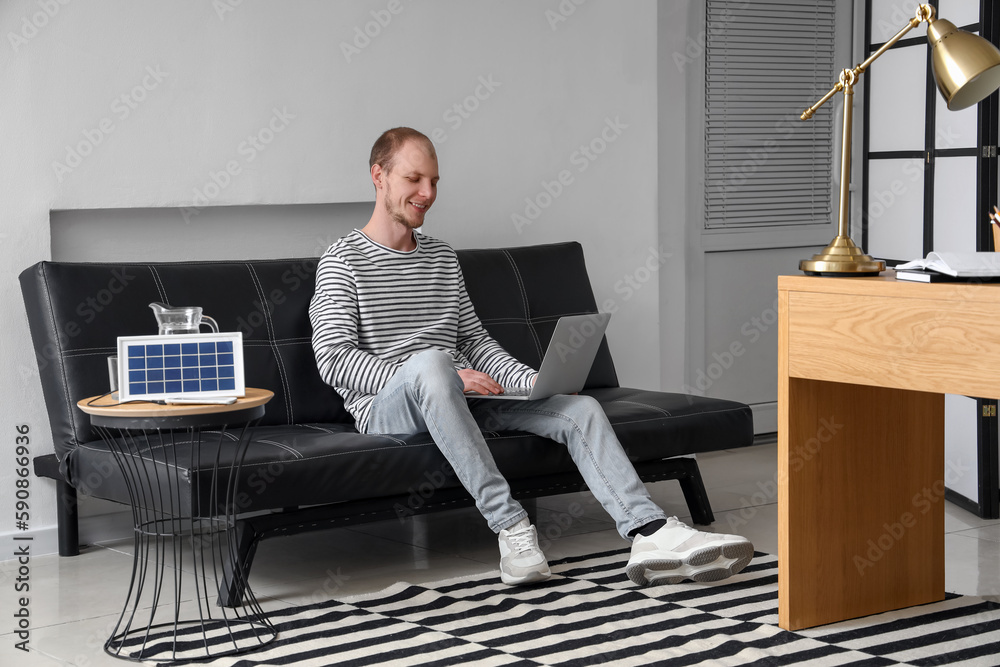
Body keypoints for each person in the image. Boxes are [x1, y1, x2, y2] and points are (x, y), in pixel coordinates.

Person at [309, 127, 754, 586]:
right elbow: (333, 358)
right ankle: (511, 528)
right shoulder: (343, 260)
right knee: (431, 363)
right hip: (388, 409)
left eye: (436, 181)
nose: (428, 193)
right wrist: (446, 376)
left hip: (459, 398)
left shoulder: (441, 257)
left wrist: (534, 383)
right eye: (414, 179)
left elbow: (477, 342)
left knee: (578, 408)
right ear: (378, 175)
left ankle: (650, 531)